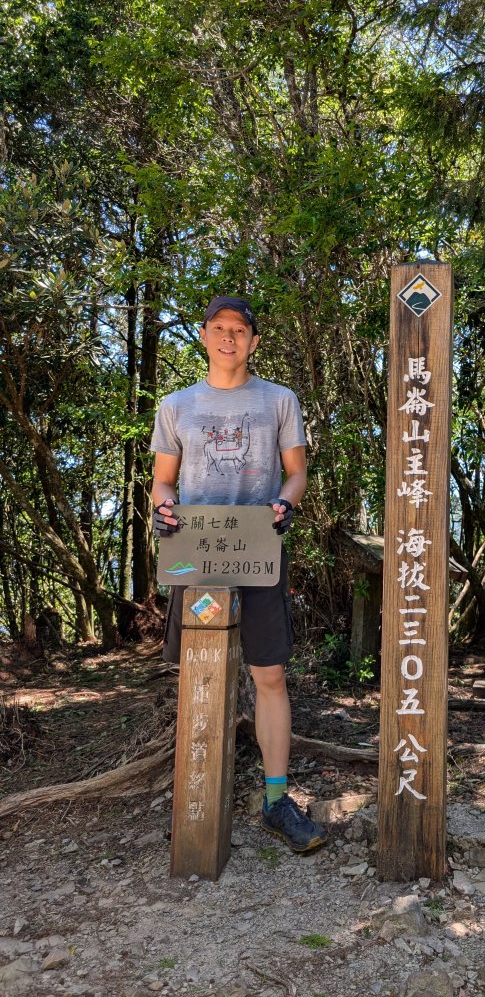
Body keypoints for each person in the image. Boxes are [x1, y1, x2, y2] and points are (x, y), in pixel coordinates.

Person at [151, 295, 327, 853]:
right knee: (198, 674)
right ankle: (195, 800)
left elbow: (295, 474)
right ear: (204, 335)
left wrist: (283, 503)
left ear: (253, 341)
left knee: (269, 675)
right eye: (220, 328)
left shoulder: (279, 400)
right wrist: (162, 508)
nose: (229, 338)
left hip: (257, 549)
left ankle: (277, 801)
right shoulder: (177, 406)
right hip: (194, 552)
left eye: (240, 330)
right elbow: (163, 483)